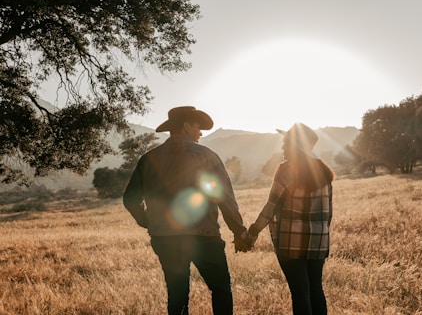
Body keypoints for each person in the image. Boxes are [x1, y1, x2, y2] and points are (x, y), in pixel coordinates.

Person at [123, 106, 249, 315]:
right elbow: (224, 198)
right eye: (198, 126)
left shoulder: (149, 158)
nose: (201, 132)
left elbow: (130, 199)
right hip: (204, 236)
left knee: (177, 294)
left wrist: (149, 221)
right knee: (220, 289)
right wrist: (239, 231)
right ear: (187, 125)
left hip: (165, 237)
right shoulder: (207, 156)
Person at [244, 123, 334, 315]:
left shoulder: (286, 170)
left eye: (286, 143)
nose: (283, 147)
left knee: (300, 292)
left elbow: (271, 206)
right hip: (318, 242)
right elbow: (329, 212)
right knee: (316, 289)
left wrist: (252, 232)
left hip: (291, 242)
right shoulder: (325, 171)